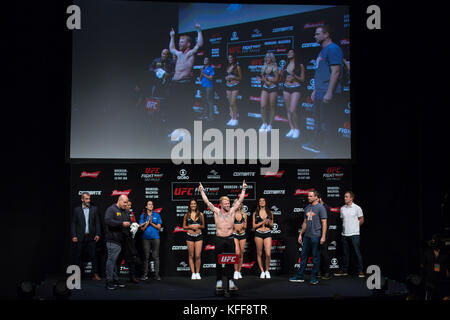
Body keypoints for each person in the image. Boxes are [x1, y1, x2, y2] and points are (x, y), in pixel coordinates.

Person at [302, 25, 343, 154]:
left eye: (317, 34)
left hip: (327, 91)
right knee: (318, 120)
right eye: (315, 34)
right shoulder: (322, 51)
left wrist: (330, 92)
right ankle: (316, 144)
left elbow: (336, 71)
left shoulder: (333, 49)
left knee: (327, 122)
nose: (315, 36)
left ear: (326, 35)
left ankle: (327, 150)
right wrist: (315, 90)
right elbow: (321, 72)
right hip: (320, 91)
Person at [199, 180, 247, 291]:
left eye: (229, 203)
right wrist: (202, 191)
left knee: (230, 262)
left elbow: (240, 201)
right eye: (225, 204)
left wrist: (243, 189)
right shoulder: (216, 211)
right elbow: (207, 202)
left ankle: (231, 282)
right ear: (221, 204)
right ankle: (219, 281)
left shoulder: (232, 211)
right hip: (219, 239)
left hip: (230, 239)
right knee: (219, 262)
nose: (228, 205)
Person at [168, 23, 203, 140]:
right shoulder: (179, 54)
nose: (179, 43)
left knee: (185, 108)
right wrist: (172, 37)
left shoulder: (190, 53)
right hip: (176, 84)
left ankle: (186, 132)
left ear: (188, 44)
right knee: (176, 108)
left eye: (182, 42)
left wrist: (199, 30)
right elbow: (171, 49)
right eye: (179, 41)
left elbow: (200, 44)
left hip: (185, 84)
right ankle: (177, 131)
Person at [289, 189, 327, 285]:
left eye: (310, 196)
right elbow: (305, 223)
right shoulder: (307, 208)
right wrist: (301, 234)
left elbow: (324, 223)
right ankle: (300, 276)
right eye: (308, 196)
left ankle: (314, 278)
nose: (308, 197)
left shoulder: (321, 207)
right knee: (303, 257)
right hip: (307, 236)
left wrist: (323, 236)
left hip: (316, 236)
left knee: (315, 258)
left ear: (316, 197)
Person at [71, 192, 101, 280]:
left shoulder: (94, 209)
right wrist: (74, 235)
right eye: (86, 199)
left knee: (94, 256)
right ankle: (77, 275)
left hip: (91, 237)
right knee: (78, 256)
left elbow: (97, 223)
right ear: (82, 199)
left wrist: (98, 234)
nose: (88, 200)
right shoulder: (76, 210)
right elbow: (74, 223)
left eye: (89, 199)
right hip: (80, 236)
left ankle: (95, 274)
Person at [334, 191, 365, 277]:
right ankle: (344, 270)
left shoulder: (357, 208)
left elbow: (361, 219)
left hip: (354, 234)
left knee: (357, 252)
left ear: (351, 198)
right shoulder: (342, 208)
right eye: (344, 197)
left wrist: (355, 226)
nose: (345, 198)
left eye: (346, 197)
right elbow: (343, 219)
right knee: (345, 253)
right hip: (344, 234)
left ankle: (360, 270)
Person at [104, 195, 131, 290]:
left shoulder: (126, 211)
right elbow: (108, 221)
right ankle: (109, 281)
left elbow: (128, 221)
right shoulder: (111, 209)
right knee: (111, 261)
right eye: (124, 202)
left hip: (122, 241)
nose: (126, 204)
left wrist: (132, 226)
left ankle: (115, 279)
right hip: (113, 240)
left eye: (127, 202)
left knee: (117, 262)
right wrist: (121, 224)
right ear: (119, 200)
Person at [282, 49, 305, 139]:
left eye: (291, 52)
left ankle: (297, 129)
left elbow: (302, 79)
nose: (289, 54)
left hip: (295, 88)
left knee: (293, 110)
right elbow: (282, 77)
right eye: (288, 52)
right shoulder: (285, 65)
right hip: (286, 88)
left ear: (295, 54)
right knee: (288, 110)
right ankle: (292, 128)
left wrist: (294, 76)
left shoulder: (300, 65)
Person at [420, 234, 450, 300]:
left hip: (441, 283)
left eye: (435, 242)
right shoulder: (427, 254)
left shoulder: (445, 255)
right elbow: (422, 266)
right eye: (433, 242)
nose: (434, 244)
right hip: (430, 282)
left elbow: (447, 268)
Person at [139, 200, 163, 281]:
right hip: (145, 238)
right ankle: (145, 275)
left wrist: (151, 223)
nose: (151, 206)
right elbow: (141, 229)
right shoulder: (143, 216)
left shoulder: (157, 215)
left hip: (155, 238)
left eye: (152, 204)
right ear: (146, 206)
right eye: (149, 204)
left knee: (155, 257)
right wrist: (147, 223)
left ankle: (156, 275)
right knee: (146, 257)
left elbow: (159, 227)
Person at [183, 199, 205, 280]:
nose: (193, 205)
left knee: (198, 255)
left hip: (199, 236)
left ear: (196, 205)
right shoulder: (186, 215)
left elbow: (203, 226)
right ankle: (193, 273)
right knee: (191, 255)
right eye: (191, 204)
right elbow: (184, 226)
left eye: (194, 204)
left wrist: (198, 226)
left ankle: (198, 273)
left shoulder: (201, 214)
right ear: (189, 205)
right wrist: (190, 227)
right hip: (189, 236)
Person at [253, 198, 274, 279]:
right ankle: (262, 271)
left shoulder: (270, 212)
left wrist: (269, 222)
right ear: (258, 203)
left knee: (268, 254)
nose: (262, 202)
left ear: (265, 202)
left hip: (267, 233)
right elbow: (254, 226)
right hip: (258, 233)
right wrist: (262, 222)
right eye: (260, 201)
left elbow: (272, 225)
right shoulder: (255, 213)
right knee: (260, 254)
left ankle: (267, 270)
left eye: (263, 201)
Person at [258, 52, 279, 133]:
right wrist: (263, 79)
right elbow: (262, 78)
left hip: (273, 88)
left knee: (272, 107)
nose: (267, 59)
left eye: (269, 58)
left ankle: (270, 125)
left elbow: (276, 79)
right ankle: (264, 123)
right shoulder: (263, 67)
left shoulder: (275, 67)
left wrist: (269, 79)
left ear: (272, 58)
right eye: (266, 57)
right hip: (265, 88)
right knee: (262, 105)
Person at [121, 200, 141, 284]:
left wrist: (135, 226)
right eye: (128, 205)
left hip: (130, 239)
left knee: (132, 257)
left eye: (130, 206)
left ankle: (133, 277)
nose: (129, 207)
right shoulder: (120, 213)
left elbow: (134, 223)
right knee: (119, 258)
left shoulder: (131, 214)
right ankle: (116, 277)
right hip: (121, 238)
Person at [225, 54, 242, 127]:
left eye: (231, 58)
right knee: (230, 103)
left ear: (234, 59)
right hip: (228, 86)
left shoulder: (237, 67)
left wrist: (233, 77)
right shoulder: (228, 67)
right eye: (229, 58)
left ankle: (235, 119)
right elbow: (226, 76)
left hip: (235, 86)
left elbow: (240, 78)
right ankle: (231, 118)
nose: (230, 59)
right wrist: (227, 78)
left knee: (233, 103)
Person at [318, 194, 332, 280]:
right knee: (318, 253)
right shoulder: (318, 207)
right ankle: (319, 271)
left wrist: (323, 235)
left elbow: (325, 223)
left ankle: (327, 271)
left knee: (324, 252)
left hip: (324, 233)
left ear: (319, 198)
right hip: (317, 233)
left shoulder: (325, 207)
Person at [232, 198, 247, 280]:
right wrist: (235, 226)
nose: (239, 205)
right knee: (236, 253)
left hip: (242, 235)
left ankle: (239, 271)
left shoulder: (244, 214)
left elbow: (245, 226)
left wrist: (243, 225)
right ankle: (235, 271)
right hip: (234, 235)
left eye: (240, 204)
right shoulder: (232, 213)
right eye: (237, 204)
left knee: (241, 253)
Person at [199, 56, 215, 121]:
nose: (205, 61)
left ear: (208, 61)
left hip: (209, 86)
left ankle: (211, 117)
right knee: (204, 101)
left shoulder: (211, 68)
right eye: (204, 60)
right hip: (203, 86)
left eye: (206, 60)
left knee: (209, 101)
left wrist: (204, 74)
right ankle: (205, 115)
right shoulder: (203, 68)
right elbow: (200, 79)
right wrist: (201, 73)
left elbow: (211, 78)